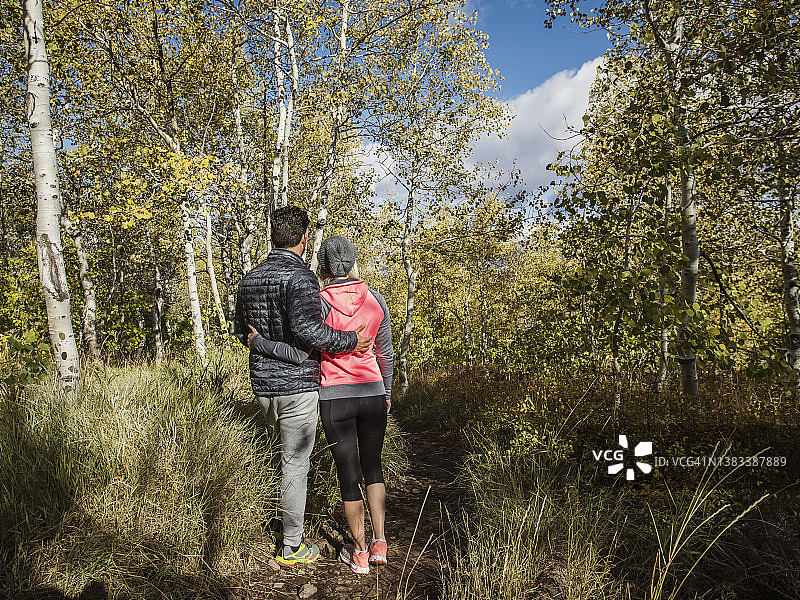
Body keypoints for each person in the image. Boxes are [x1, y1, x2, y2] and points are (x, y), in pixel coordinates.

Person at [247, 235, 394, 575]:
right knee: (373, 466)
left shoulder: (319, 303)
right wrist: (386, 392)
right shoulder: (376, 300)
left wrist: (261, 343)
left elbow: (306, 348)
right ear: (353, 263)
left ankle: (359, 553)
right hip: (372, 391)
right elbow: (385, 352)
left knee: (348, 472)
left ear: (323, 266)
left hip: (334, 397)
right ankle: (380, 543)